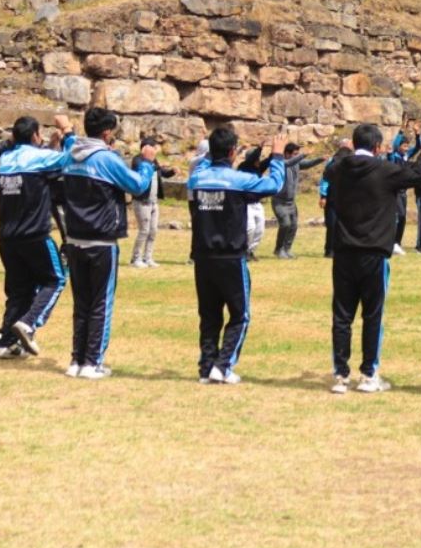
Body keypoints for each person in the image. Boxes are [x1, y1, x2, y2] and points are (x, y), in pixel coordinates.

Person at [324, 123, 421, 394]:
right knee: (373, 314)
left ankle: (340, 374)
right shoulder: (384, 171)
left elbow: (332, 166)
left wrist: (344, 151)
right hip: (373, 252)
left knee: (342, 314)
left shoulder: (339, 169)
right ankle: (368, 374)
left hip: (344, 251)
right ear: (376, 147)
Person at [57, 107, 156, 379]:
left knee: (82, 303)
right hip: (101, 239)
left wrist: (65, 132)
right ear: (107, 132)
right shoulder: (105, 159)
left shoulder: (70, 155)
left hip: (75, 237)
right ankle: (92, 362)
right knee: (101, 302)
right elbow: (138, 186)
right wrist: (147, 163)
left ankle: (76, 360)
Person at [188, 128, 286, 384]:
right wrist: (277, 157)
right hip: (230, 257)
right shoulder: (239, 180)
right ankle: (223, 366)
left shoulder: (197, 178)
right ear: (232, 152)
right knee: (240, 314)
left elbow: (199, 167)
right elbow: (274, 185)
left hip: (203, 258)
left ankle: (206, 366)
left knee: (209, 316)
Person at [0, 114, 76, 359]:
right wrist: (68, 131)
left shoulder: (5, 159)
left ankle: (5, 340)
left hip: (7, 237)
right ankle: (29, 324)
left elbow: (37, 171)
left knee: (19, 290)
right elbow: (73, 158)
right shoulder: (39, 158)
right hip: (35, 235)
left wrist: (49, 146)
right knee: (56, 280)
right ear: (34, 135)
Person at [271, 143, 324, 259]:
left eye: (297, 154)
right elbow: (289, 162)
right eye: (295, 154)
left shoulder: (296, 164)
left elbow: (308, 164)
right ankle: (278, 249)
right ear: (286, 153)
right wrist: (304, 154)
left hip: (291, 202)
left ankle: (287, 249)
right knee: (285, 224)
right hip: (279, 201)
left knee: (293, 226)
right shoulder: (280, 163)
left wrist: (321, 159)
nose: (297, 156)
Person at [129, 138, 175, 268]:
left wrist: (172, 171)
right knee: (144, 230)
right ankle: (135, 258)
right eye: (154, 147)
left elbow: (162, 172)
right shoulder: (138, 160)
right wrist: (150, 161)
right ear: (146, 148)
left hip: (154, 202)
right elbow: (141, 170)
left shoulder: (153, 161)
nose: (155, 150)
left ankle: (147, 257)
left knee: (153, 230)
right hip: (141, 201)